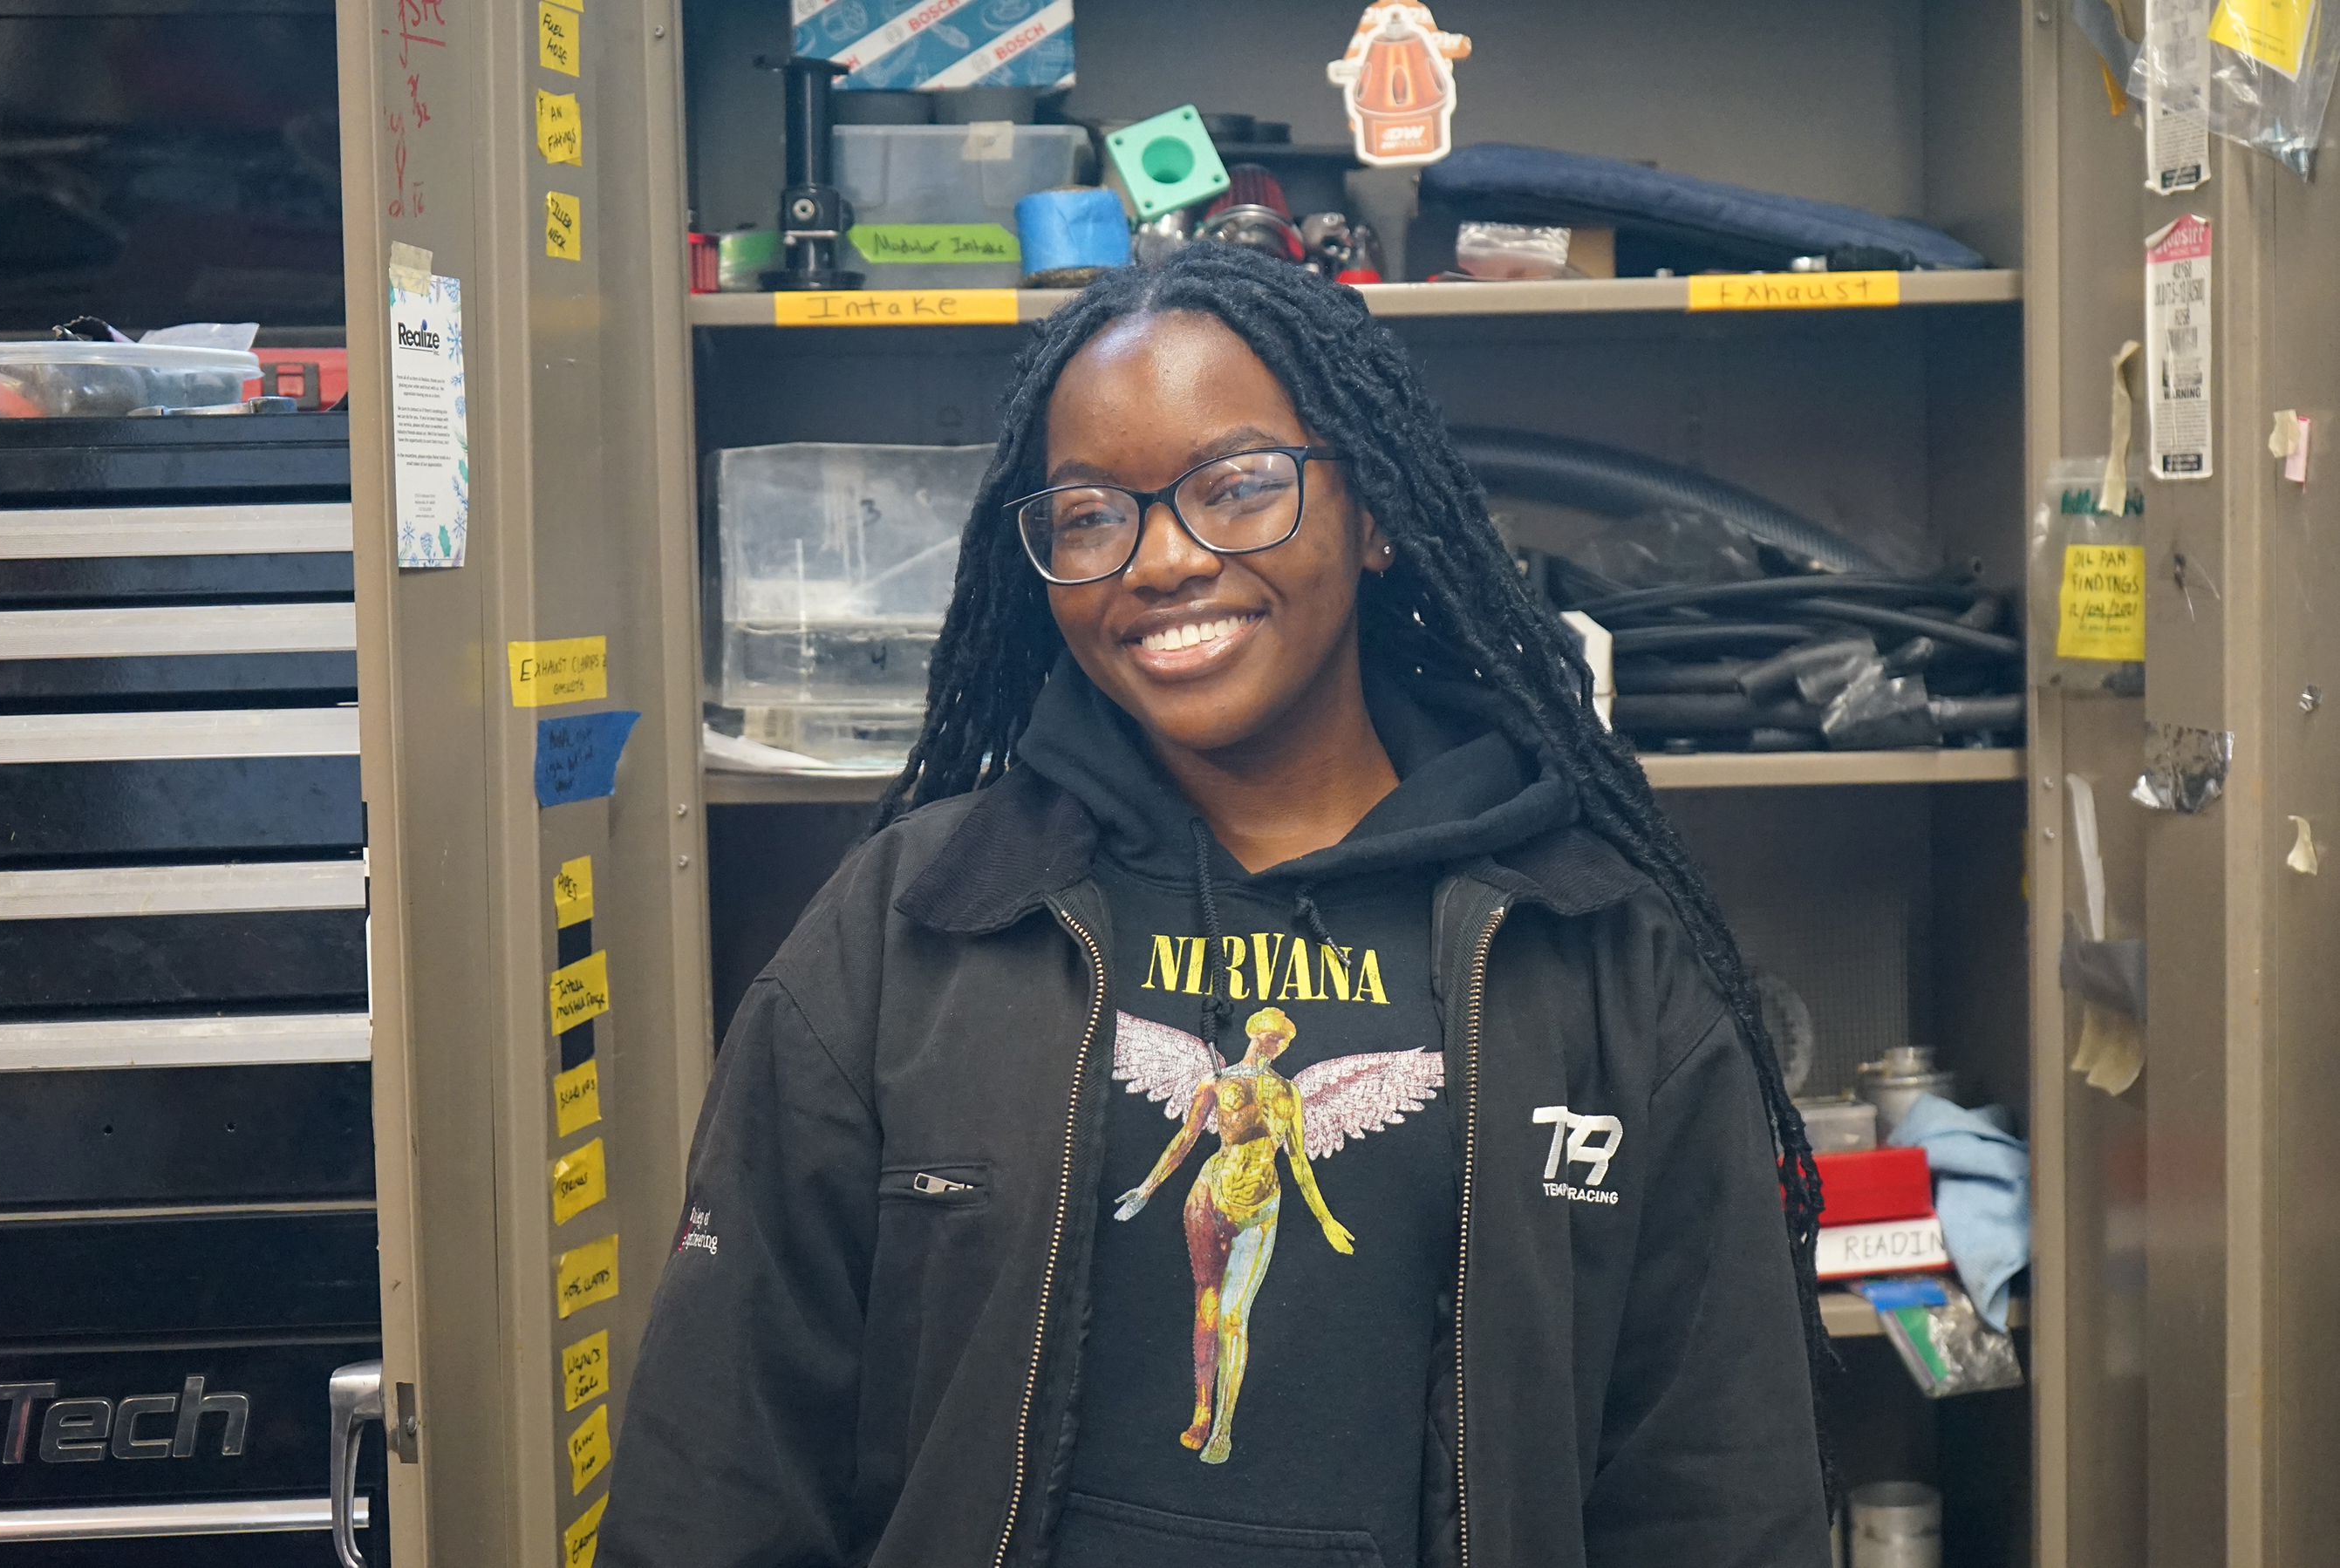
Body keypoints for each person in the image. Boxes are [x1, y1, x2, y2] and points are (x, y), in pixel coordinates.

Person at [600, 243, 1830, 1568]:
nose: (1163, 560)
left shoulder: (1592, 943)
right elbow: (720, 1465)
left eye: (1237, 487)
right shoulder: (919, 925)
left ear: (1374, 513)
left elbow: (1714, 1487)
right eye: (1089, 516)